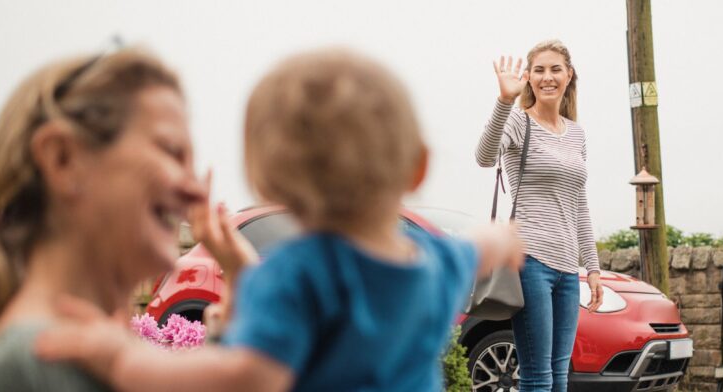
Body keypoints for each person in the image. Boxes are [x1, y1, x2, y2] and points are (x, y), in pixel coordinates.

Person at [34, 48, 524, 392]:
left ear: (263, 180)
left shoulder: (291, 275)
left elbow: (243, 379)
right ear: (418, 167)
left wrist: (121, 359)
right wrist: (503, 239)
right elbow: (482, 245)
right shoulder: (436, 263)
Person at [0, 47, 245, 391]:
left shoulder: (96, 359)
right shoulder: (28, 367)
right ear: (62, 159)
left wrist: (240, 292)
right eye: (171, 151)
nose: (196, 190)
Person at [475, 39, 604, 392]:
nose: (548, 77)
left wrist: (591, 266)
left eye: (556, 69)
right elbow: (485, 157)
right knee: (537, 375)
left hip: (567, 268)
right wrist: (504, 101)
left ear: (569, 75)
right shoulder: (518, 121)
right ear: (529, 78)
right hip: (529, 260)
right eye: (540, 70)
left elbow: (579, 203)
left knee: (560, 373)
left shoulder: (576, 133)